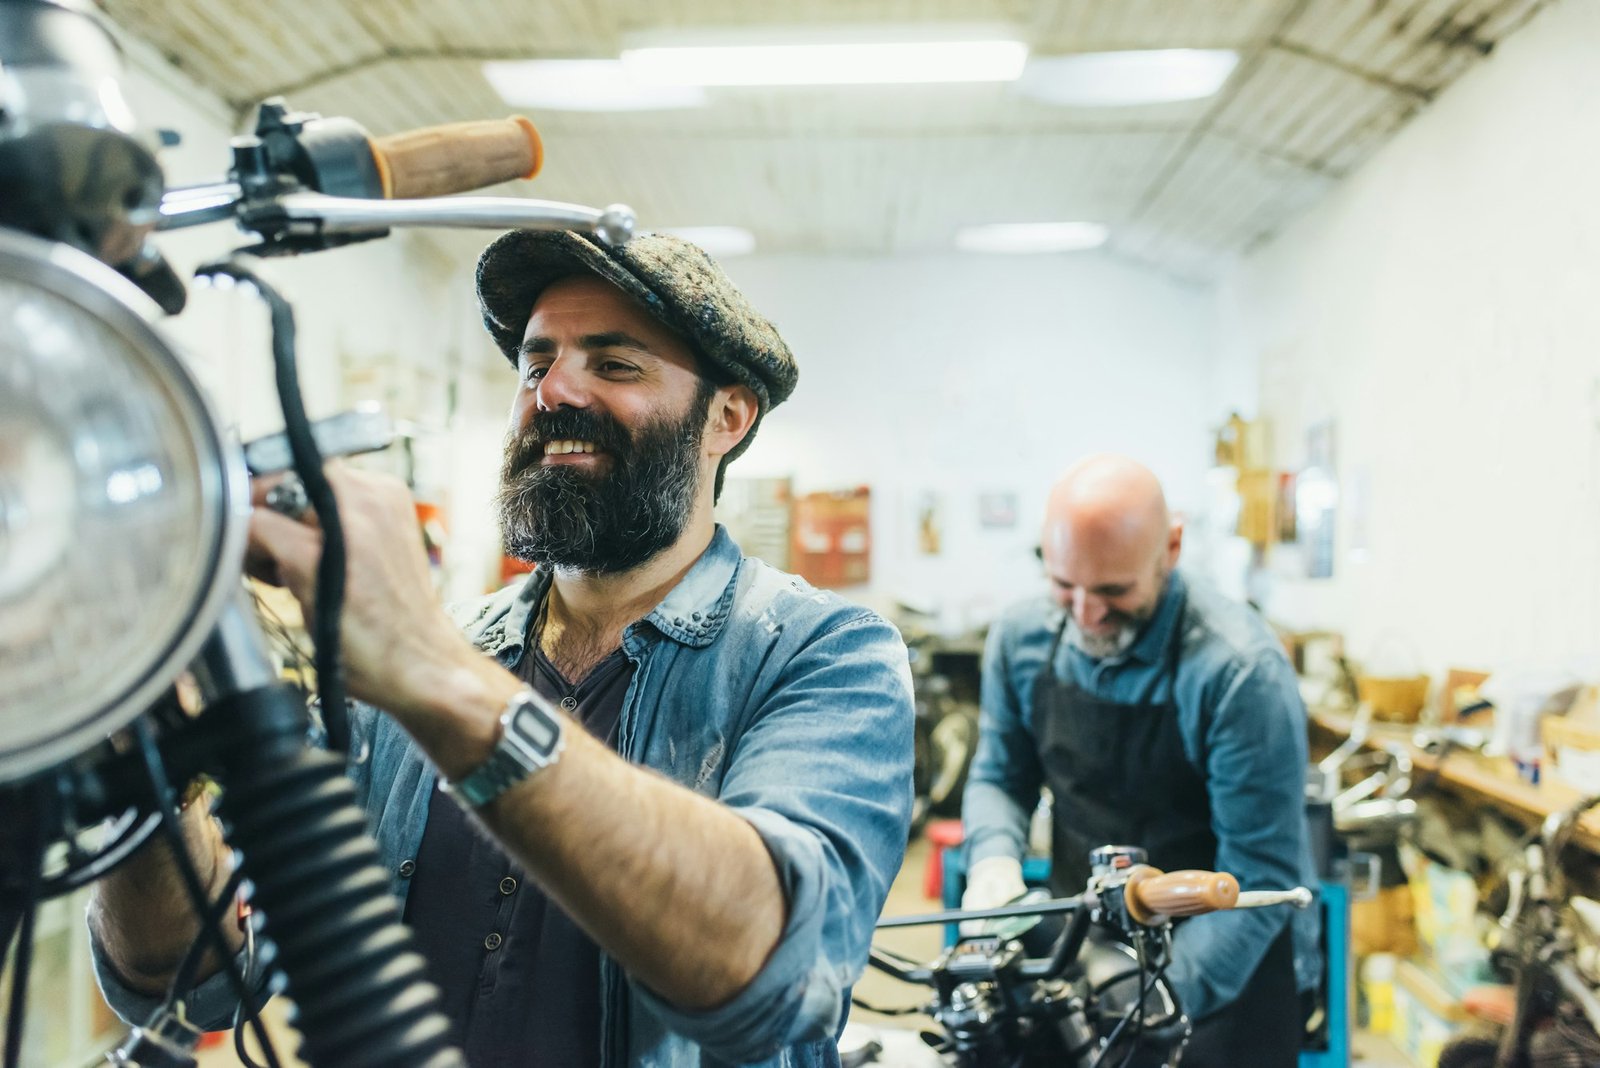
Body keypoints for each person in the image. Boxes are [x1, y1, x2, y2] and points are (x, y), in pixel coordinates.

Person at [88, 231, 916, 1067]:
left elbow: (773, 976)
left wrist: (433, 676)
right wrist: (146, 723)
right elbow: (194, 978)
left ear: (726, 418)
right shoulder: (412, 663)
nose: (552, 392)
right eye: (535, 361)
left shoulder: (824, 655)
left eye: (615, 365)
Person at [961, 454, 1319, 1067]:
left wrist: (1151, 997)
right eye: (1064, 585)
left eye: (1113, 591)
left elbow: (1258, 872)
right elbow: (1000, 774)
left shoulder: (1239, 672)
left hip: (1225, 955)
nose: (1085, 614)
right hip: (1088, 932)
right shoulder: (1021, 638)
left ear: (1171, 548)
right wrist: (994, 858)